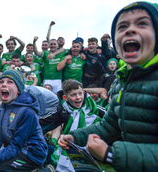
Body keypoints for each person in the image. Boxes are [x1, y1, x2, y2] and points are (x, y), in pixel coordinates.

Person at [58, 2, 158, 172]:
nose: (129, 30)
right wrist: (75, 137)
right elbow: (109, 126)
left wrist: (111, 154)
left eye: (142, 23)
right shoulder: (121, 80)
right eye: (122, 26)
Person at [0, 69, 48, 172]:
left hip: (31, 154)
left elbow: (16, 146)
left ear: (19, 89)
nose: (3, 85)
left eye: (10, 82)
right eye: (1, 82)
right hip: (13, 150)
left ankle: (44, 170)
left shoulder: (27, 112)